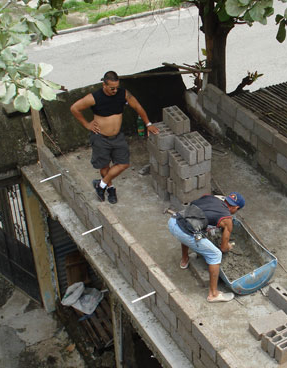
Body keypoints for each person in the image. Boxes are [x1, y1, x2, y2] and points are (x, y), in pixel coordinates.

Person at [70, 71, 159, 204]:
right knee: (104, 166)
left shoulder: (123, 94)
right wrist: (87, 124)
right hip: (100, 138)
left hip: (117, 137)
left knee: (124, 163)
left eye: (117, 87)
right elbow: (74, 108)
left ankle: (100, 185)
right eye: (112, 88)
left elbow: (137, 106)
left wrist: (148, 124)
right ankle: (110, 188)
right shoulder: (94, 97)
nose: (115, 90)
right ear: (104, 85)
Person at [168, 192, 246, 303]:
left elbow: (195, 210)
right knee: (216, 254)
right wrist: (228, 246)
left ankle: (184, 260)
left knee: (192, 227)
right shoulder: (227, 219)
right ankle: (213, 294)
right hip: (184, 232)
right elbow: (223, 248)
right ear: (236, 207)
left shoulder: (210, 197)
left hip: (174, 221)